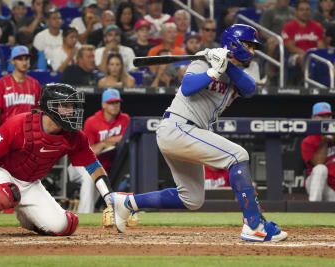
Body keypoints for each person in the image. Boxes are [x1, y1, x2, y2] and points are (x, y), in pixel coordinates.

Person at [109, 24, 288, 242]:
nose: (251, 51)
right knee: (238, 155)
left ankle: (127, 203)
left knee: (192, 199)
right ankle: (254, 225)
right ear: (233, 43)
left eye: (253, 47)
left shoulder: (235, 74)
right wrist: (212, 70)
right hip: (178, 127)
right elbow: (187, 87)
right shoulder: (202, 61)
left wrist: (225, 65)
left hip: (187, 133)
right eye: (248, 45)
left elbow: (250, 89)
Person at [0, 83, 115, 238]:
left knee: (65, 225)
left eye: (73, 106)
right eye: (66, 106)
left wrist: (110, 198)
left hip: (30, 183)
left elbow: (94, 167)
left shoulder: (76, 137)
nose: (72, 111)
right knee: (5, 194)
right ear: (49, 108)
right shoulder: (19, 124)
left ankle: (27, 217)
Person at [0, 45, 42, 133]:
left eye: (26, 59)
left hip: (28, 131)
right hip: (7, 131)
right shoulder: (2, 83)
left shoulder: (35, 84)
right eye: (20, 59)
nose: (24, 62)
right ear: (12, 61)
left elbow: (38, 110)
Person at [281, 0, 326, 85]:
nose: (305, 12)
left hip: (314, 55)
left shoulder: (317, 26)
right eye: (302, 10)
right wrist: (307, 54)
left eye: (307, 9)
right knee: (303, 58)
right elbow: (291, 48)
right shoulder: (289, 26)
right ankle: (310, 84)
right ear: (296, 12)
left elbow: (322, 47)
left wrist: (315, 55)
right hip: (294, 56)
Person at [301, 102, 335, 201]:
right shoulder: (308, 141)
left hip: (333, 188)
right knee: (320, 168)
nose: (326, 119)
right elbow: (317, 163)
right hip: (318, 184)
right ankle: (313, 208)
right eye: (322, 116)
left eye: (328, 116)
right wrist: (325, 141)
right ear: (313, 118)